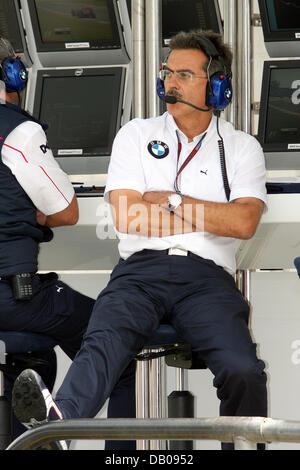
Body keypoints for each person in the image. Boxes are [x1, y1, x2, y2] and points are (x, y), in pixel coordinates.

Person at [12, 30, 268, 450]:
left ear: (217, 83)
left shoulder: (242, 148)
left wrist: (170, 200)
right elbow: (129, 217)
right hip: (140, 274)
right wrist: (207, 218)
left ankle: (243, 444)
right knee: (102, 344)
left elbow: (243, 223)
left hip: (207, 280)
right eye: (168, 72)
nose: (171, 82)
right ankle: (55, 428)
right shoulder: (135, 133)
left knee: (244, 369)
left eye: (184, 74)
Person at [0, 38, 135, 450]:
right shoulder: (18, 130)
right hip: (13, 295)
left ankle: (28, 442)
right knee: (118, 348)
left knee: (36, 355)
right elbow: (67, 211)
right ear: (12, 73)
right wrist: (28, 208)